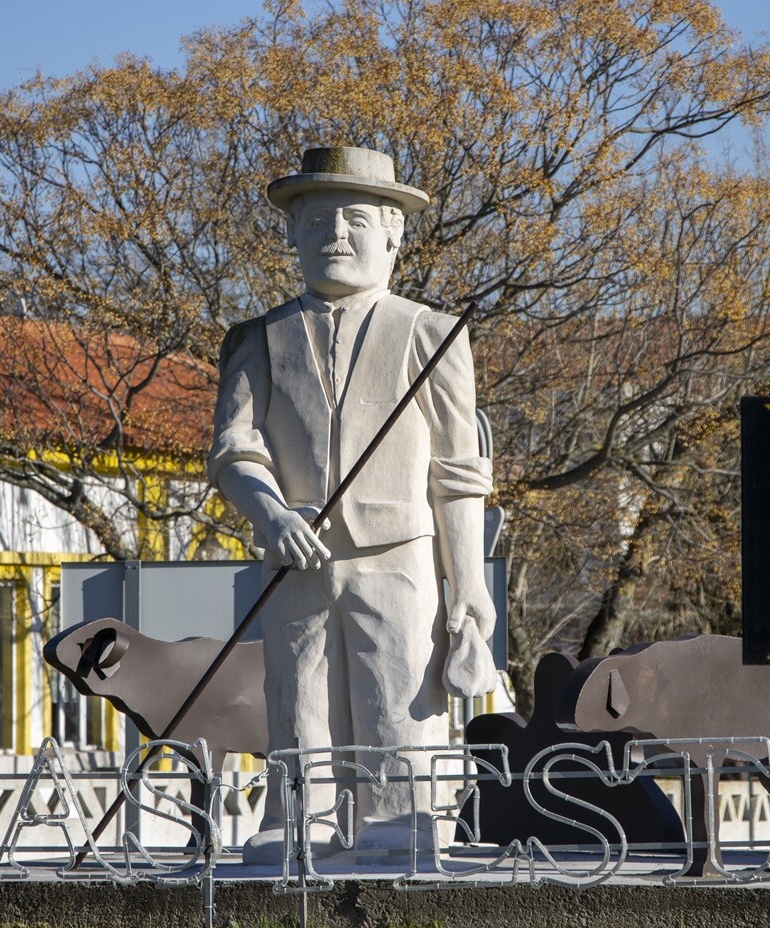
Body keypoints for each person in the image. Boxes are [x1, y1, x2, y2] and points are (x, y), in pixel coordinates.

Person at [209, 146, 495, 861]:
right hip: (294, 561)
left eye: (356, 220)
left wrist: (471, 590)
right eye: (316, 221)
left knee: (397, 698)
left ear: (394, 234)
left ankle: (399, 824)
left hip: (397, 557)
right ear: (291, 235)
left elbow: (458, 475)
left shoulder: (432, 334)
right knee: (296, 702)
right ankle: (298, 821)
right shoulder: (258, 338)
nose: (335, 235)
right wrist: (271, 514)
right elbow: (234, 449)